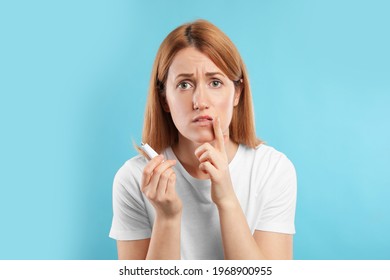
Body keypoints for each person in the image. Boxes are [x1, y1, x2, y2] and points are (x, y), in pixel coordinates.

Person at [109, 19, 297, 260]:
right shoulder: (134, 179)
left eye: (215, 82)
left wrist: (227, 200)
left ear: (237, 92)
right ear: (165, 98)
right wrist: (167, 218)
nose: (200, 101)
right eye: (184, 84)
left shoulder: (272, 170)